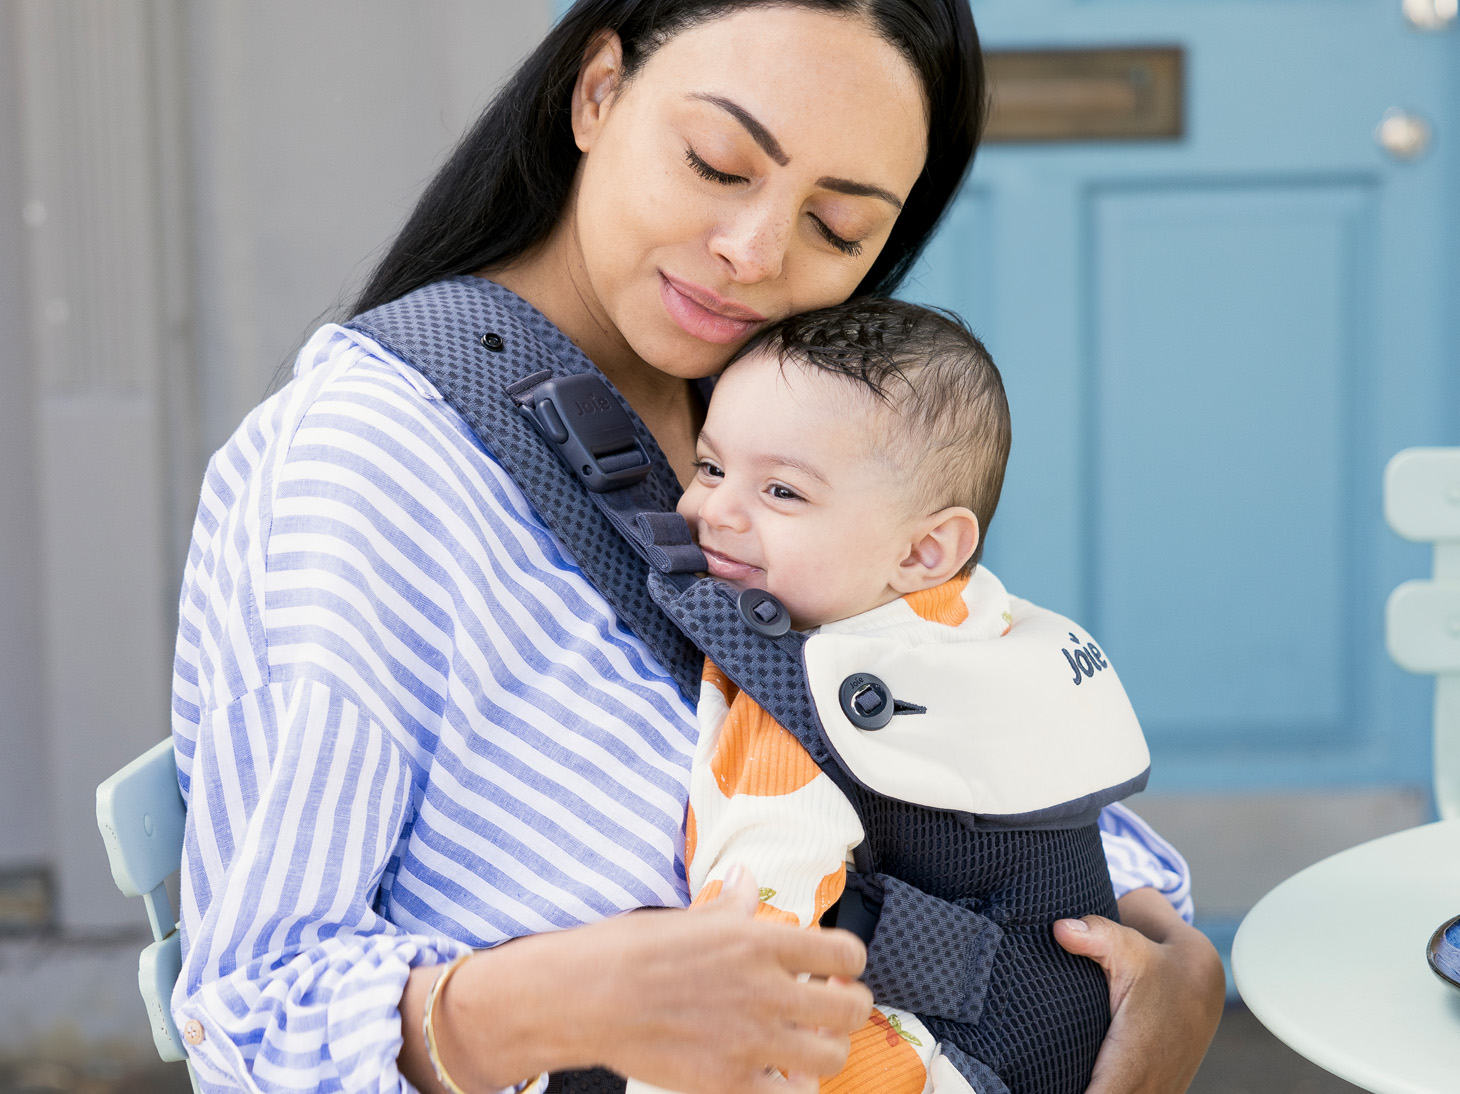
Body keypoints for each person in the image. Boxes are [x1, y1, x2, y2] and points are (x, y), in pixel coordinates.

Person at [169, 3, 1225, 1094]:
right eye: (716, 163)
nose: (752, 255)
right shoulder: (363, 461)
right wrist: (547, 1000)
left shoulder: (771, 421)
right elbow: (251, 1014)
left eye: (839, 229)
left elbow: (945, 718)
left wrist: (1172, 956)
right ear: (595, 93)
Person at [631, 298, 1152, 1094]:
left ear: (925, 549)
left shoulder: (803, 702)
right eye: (709, 467)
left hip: (927, 1061)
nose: (712, 511)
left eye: (782, 493)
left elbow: (751, 939)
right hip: (1070, 1039)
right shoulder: (994, 631)